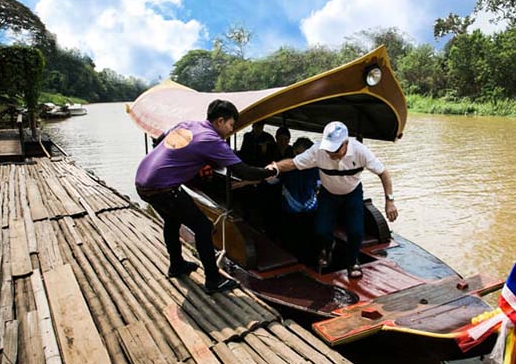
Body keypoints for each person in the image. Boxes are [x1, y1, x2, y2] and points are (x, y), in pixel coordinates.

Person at [135, 99, 277, 294]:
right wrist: (271, 171)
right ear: (220, 121)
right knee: (204, 227)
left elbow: (159, 140)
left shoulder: (188, 124)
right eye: (230, 125)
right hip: (163, 188)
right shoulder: (212, 140)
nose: (230, 130)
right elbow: (244, 172)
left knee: (172, 220)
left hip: (142, 180)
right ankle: (213, 279)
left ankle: (176, 265)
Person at [269, 121, 398, 278]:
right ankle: (329, 246)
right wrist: (275, 167)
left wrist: (389, 201)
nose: (332, 154)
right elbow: (293, 163)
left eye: (336, 150)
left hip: (352, 192)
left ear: (346, 143)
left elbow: (384, 173)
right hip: (328, 193)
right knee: (321, 230)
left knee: (356, 232)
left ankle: (352, 261)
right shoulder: (318, 150)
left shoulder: (360, 151)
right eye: (329, 149)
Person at [279, 137, 319, 264]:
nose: (299, 158)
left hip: (308, 210)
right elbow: (271, 178)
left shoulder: (316, 168)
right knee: (294, 240)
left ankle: (307, 262)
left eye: (302, 154)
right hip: (293, 211)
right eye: (297, 154)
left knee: (308, 239)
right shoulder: (288, 167)